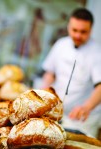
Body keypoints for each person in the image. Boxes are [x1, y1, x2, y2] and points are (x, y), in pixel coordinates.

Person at [42, 8, 101, 137]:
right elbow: (50, 73)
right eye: (74, 30)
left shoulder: (97, 53)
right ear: (69, 27)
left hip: (82, 121)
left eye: (83, 32)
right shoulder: (60, 45)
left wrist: (86, 107)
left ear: (91, 30)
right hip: (56, 116)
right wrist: (44, 91)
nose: (78, 35)